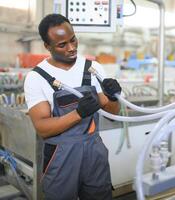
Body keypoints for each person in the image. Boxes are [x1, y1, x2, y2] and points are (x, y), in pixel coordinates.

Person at [24, 13, 121, 200]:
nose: (71, 48)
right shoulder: (37, 77)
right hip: (61, 157)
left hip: (94, 152)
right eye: (62, 45)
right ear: (47, 46)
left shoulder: (93, 68)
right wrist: (78, 113)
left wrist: (113, 98)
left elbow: (112, 113)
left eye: (73, 40)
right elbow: (43, 128)